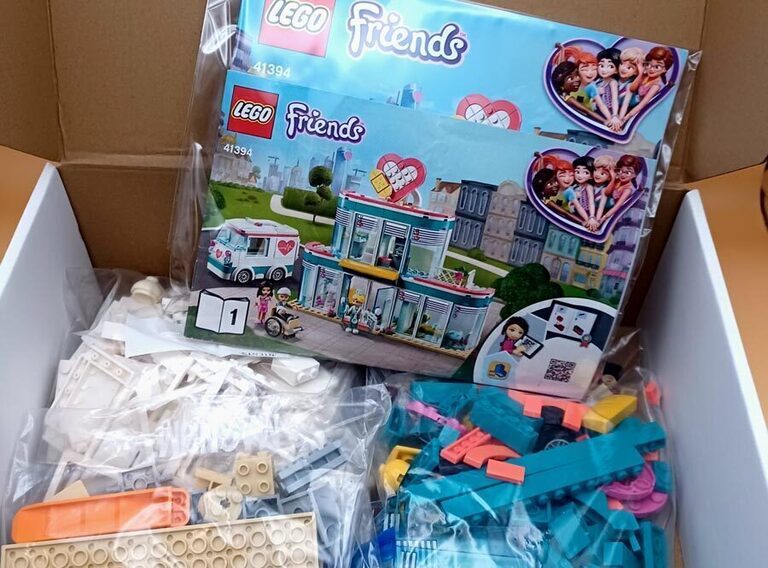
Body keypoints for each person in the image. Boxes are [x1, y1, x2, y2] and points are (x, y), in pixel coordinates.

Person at [622, 46, 675, 124]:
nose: (651, 69)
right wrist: (640, 73)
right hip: (627, 102)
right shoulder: (645, 76)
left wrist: (625, 118)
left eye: (657, 66)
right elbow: (632, 89)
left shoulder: (656, 86)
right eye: (648, 64)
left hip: (635, 110)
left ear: (665, 69)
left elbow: (642, 105)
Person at [598, 154, 643, 224]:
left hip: (611, 215)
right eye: (621, 171)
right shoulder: (617, 181)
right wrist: (613, 179)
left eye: (628, 172)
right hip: (604, 209)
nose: (623, 175)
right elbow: (607, 193)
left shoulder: (628, 190)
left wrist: (603, 218)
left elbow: (617, 206)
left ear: (635, 175)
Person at [587, 48, 622, 130]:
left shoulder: (612, 82)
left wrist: (615, 115)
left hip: (608, 111)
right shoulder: (597, 82)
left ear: (616, 70)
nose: (604, 70)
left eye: (610, 66)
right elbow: (588, 96)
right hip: (595, 110)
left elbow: (614, 99)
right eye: (601, 65)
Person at [564, 156, 598, 230]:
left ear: (591, 176)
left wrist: (591, 217)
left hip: (587, 213)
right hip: (575, 213)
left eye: (585, 172)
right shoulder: (574, 186)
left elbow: (591, 202)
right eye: (577, 172)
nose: (580, 175)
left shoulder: (588, 187)